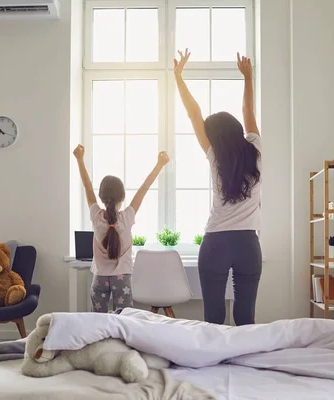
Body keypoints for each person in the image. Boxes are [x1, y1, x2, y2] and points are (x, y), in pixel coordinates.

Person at [174, 49, 262, 325]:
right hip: (248, 243)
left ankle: (212, 365)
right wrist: (248, 77)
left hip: (216, 242)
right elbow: (248, 110)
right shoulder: (256, 151)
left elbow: (193, 113)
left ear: (215, 138)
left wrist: (178, 77)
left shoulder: (215, 156)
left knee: (213, 317)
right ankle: (245, 366)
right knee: (245, 316)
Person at [73, 144, 170, 312]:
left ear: (101, 198)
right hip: (122, 278)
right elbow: (143, 189)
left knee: (98, 320)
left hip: (99, 278)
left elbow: (87, 187)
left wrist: (80, 160)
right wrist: (159, 165)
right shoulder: (127, 218)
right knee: (125, 319)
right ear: (123, 197)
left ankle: (101, 339)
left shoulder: (96, 217)